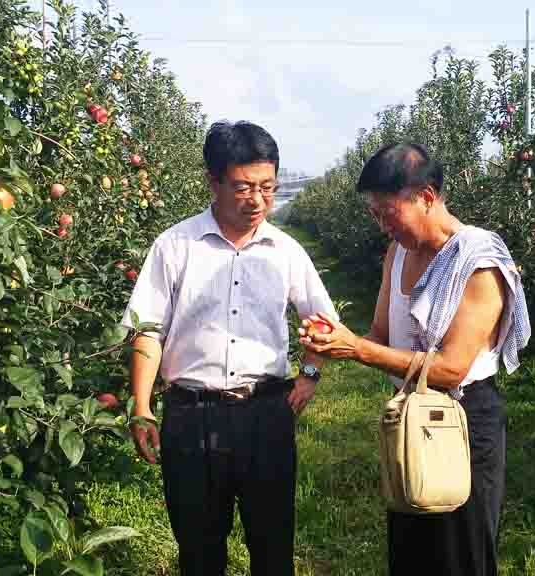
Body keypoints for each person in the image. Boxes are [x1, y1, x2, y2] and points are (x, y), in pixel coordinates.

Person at [298, 142, 531, 576]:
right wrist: (335, 343)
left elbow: (450, 369)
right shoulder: (398, 253)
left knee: (461, 553)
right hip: (409, 415)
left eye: (388, 212)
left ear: (425, 196)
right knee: (412, 551)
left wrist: (358, 348)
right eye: (375, 215)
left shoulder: (478, 263)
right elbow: (381, 338)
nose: (383, 226)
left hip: (464, 419)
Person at [121, 120, 336, 576]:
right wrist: (141, 406)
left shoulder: (286, 251)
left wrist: (310, 374)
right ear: (213, 182)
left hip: (266, 413)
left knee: (273, 544)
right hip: (190, 415)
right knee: (199, 550)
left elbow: (322, 320)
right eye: (242, 187)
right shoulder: (175, 246)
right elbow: (147, 331)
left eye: (267, 187)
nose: (257, 200)